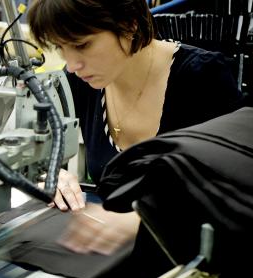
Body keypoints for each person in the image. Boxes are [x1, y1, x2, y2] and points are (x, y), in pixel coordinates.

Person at [27, 0, 244, 255]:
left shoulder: (203, 77)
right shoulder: (84, 84)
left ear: (128, 25)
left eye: (81, 45)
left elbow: (231, 192)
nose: (72, 66)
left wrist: (142, 219)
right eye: (60, 48)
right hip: (115, 258)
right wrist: (53, 175)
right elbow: (43, 155)